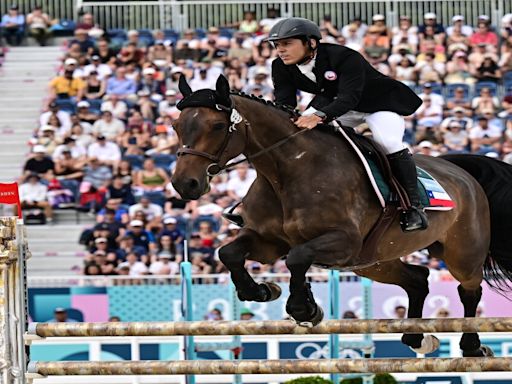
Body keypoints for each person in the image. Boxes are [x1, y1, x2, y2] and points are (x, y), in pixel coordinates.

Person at [267, 18, 427, 231]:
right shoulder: (280, 66)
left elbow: (350, 97)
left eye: (287, 44)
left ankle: (414, 208)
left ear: (311, 43)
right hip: (335, 104)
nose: (280, 50)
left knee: (388, 142)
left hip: (377, 104)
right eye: (277, 45)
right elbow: (285, 103)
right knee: (297, 138)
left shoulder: (344, 57)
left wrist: (318, 117)